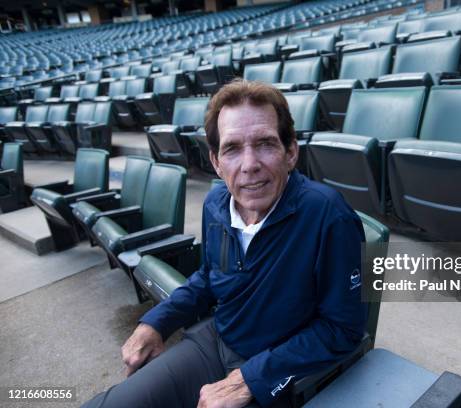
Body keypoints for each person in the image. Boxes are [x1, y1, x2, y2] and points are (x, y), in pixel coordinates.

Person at [82, 80, 367, 408]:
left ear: (290, 152)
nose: (249, 165)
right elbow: (208, 276)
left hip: (281, 368)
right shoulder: (215, 203)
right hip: (215, 339)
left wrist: (252, 378)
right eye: (232, 149)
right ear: (216, 161)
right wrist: (158, 320)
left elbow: (345, 328)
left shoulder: (333, 215)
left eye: (265, 144)